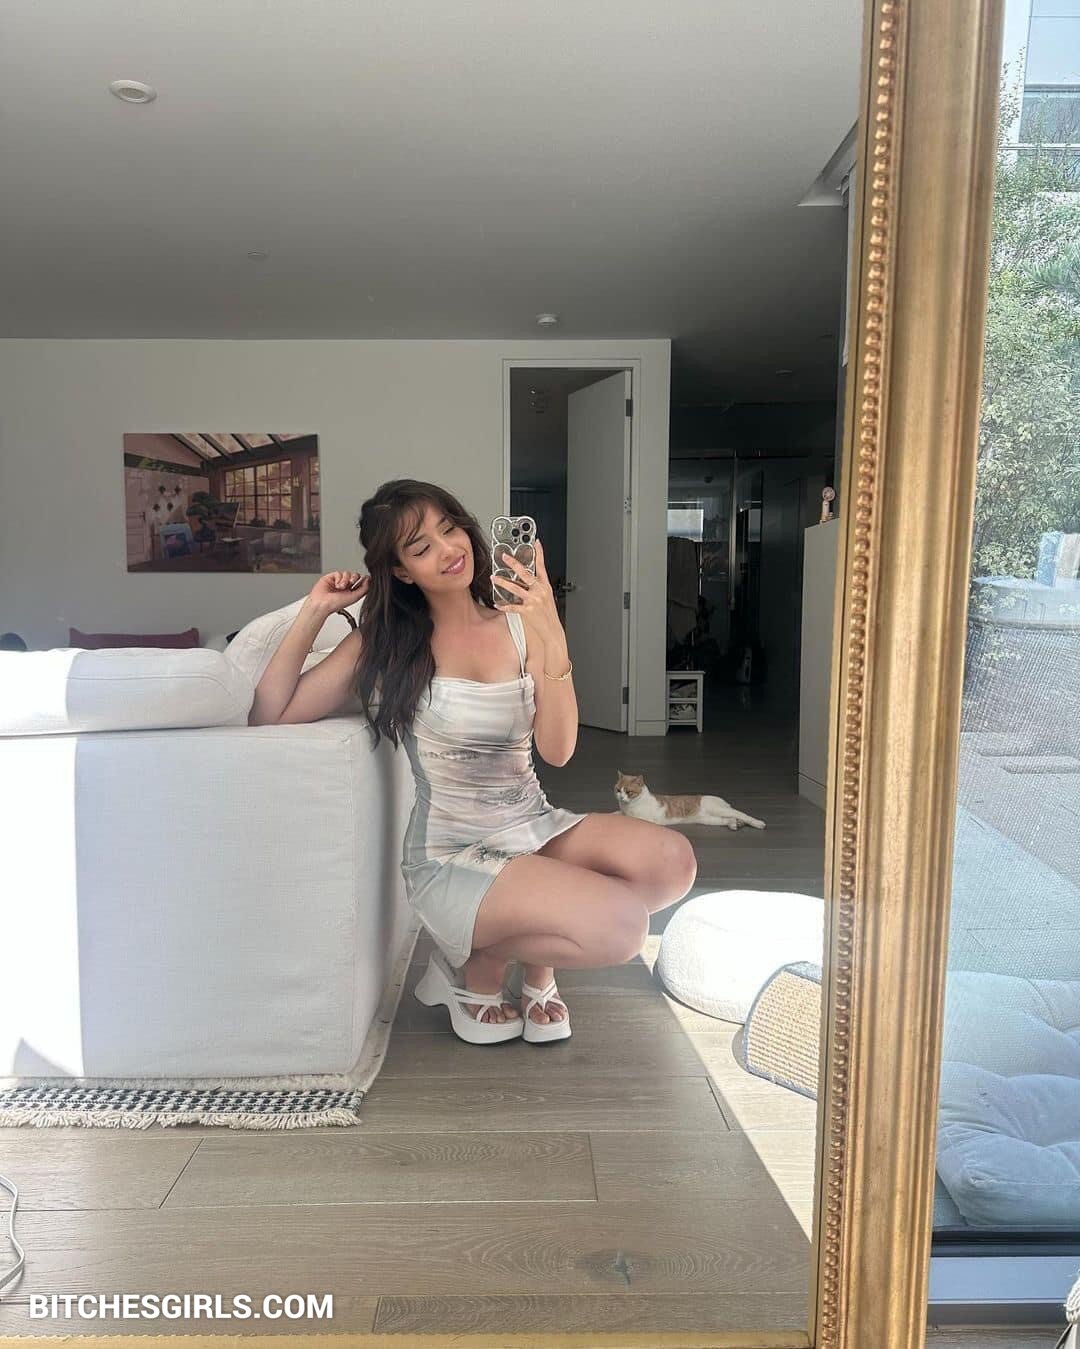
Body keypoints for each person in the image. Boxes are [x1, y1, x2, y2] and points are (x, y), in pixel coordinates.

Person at [248, 479, 698, 1046]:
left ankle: (495, 957)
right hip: (453, 853)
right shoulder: (385, 642)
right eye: (421, 547)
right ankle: (483, 963)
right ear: (402, 571)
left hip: (531, 823)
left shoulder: (519, 621)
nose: (447, 549)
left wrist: (550, 628)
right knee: (624, 928)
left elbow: (558, 751)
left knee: (672, 862)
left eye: (449, 528)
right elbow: (270, 714)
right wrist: (316, 609)